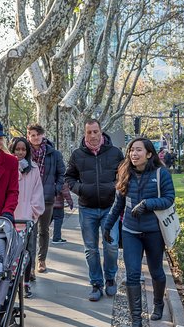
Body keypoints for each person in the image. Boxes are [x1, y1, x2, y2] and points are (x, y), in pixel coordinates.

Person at [102, 138, 174, 327]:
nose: (134, 154)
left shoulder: (161, 174)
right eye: (131, 150)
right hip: (130, 231)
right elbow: (118, 204)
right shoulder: (125, 173)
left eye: (138, 150)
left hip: (154, 232)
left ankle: (158, 303)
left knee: (156, 272)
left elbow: (169, 198)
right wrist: (108, 226)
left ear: (149, 154)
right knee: (132, 275)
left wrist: (147, 204)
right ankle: (136, 323)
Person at [65, 118, 124, 301]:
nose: (92, 136)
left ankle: (110, 279)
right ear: (85, 134)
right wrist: (81, 189)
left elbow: (124, 176)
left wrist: (115, 187)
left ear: (101, 132)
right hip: (87, 209)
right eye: (89, 132)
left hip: (110, 209)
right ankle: (96, 284)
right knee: (91, 249)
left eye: (95, 131)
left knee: (111, 246)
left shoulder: (115, 153)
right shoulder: (77, 155)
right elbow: (69, 177)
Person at [26, 124, 65, 274]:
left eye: (38, 135)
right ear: (28, 136)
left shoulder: (54, 154)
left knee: (43, 231)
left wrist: (56, 188)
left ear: (43, 135)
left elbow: (62, 173)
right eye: (32, 135)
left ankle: (41, 260)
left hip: (47, 198)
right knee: (31, 231)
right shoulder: (25, 152)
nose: (35, 138)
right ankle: (30, 264)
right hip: (28, 199)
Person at [10, 137, 45, 298]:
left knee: (27, 251)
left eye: (23, 149)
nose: (20, 152)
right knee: (11, 252)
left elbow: (38, 192)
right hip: (9, 217)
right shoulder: (7, 168)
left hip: (27, 218)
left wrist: (32, 212)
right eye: (17, 149)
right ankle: (11, 281)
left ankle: (25, 282)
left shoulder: (34, 169)